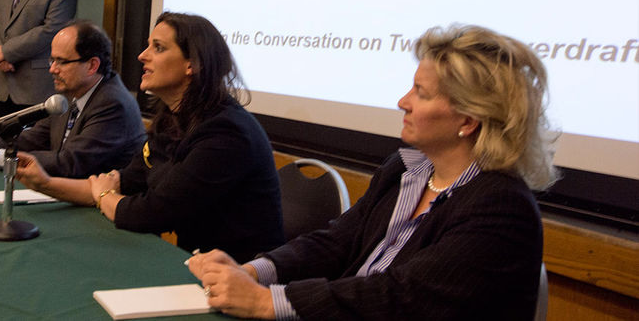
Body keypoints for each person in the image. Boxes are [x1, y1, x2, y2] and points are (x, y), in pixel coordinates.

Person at [188, 24, 560, 320]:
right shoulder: (404, 169)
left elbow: (403, 297)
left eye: (421, 93)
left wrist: (267, 303)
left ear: (468, 118)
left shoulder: (502, 207)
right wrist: (256, 271)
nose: (403, 102)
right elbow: (338, 241)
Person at [14, 12, 285, 262]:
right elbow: (126, 183)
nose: (142, 56)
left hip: (240, 275)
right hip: (196, 264)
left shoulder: (226, 134)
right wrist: (45, 183)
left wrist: (104, 194)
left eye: (158, 48)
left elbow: (149, 213)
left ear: (193, 63)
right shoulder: (172, 120)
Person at [0, 19, 145, 178]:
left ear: (92, 65)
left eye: (61, 62)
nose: (52, 69)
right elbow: (35, 137)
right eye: (51, 60)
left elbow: (70, 163)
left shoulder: (113, 103)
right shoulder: (68, 95)